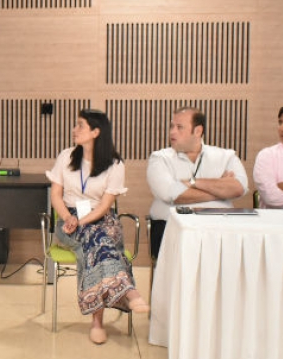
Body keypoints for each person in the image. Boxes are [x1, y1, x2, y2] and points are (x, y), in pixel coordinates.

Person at [46, 109, 149, 345]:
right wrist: (68, 218)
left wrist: (82, 221)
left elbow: (104, 206)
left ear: (96, 132)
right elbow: (56, 196)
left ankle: (97, 322)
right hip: (67, 218)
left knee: (92, 245)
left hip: (100, 219)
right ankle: (128, 291)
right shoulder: (66, 156)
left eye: (80, 125)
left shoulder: (114, 164)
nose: (74, 129)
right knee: (99, 241)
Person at [146, 107, 248, 259]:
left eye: (179, 127)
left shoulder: (226, 156)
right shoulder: (160, 158)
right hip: (171, 228)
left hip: (219, 228)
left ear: (198, 131)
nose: (172, 132)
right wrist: (220, 191)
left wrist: (193, 182)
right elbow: (171, 194)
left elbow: (239, 187)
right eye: (171, 126)